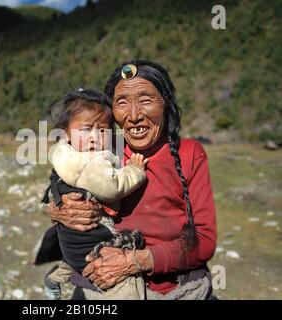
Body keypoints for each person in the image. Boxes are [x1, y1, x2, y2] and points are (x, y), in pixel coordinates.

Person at [47, 60, 217, 300]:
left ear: (166, 104)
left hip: (173, 288)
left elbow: (205, 241)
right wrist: (57, 210)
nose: (134, 115)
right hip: (100, 284)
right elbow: (63, 181)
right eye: (122, 103)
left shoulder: (189, 153)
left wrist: (136, 261)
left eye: (146, 100)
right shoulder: (103, 150)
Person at [36, 88, 148, 300]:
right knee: (129, 289)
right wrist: (135, 170)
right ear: (66, 133)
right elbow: (112, 187)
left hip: (71, 247)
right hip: (92, 248)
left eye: (103, 131)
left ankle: (60, 273)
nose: (95, 138)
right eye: (86, 130)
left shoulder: (63, 153)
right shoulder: (91, 162)